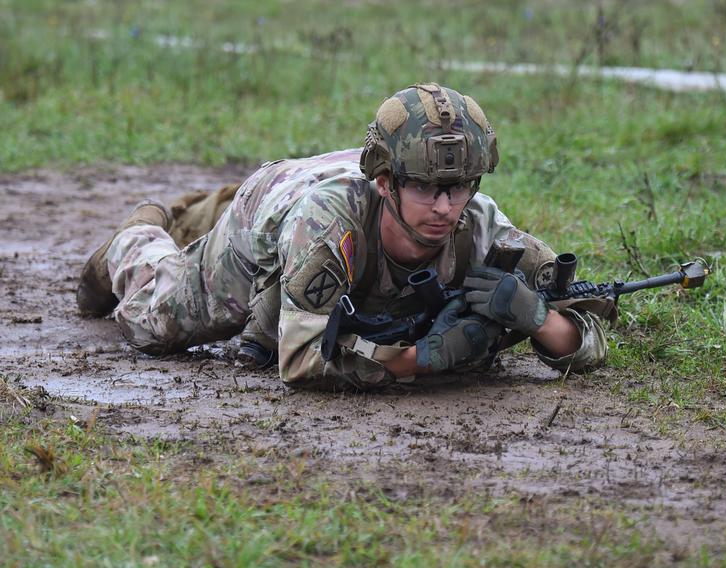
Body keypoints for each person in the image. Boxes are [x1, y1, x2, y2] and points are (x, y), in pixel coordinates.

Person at [76, 83, 613, 390]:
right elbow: (301, 359)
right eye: (428, 190)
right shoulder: (330, 231)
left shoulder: (482, 226)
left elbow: (588, 332)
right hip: (276, 209)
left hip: (338, 182)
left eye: (459, 188)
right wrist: (425, 358)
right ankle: (136, 236)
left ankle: (194, 210)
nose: (446, 207)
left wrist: (539, 318)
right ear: (387, 183)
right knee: (157, 321)